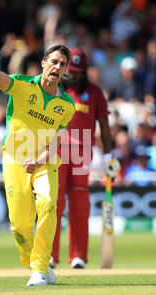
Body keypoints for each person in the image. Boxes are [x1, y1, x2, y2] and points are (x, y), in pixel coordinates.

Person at [0, 20, 76, 286]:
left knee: (48, 204)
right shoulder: (21, 86)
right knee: (20, 226)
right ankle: (36, 263)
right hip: (14, 161)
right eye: (54, 61)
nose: (58, 67)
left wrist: (39, 160)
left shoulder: (66, 105)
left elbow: (56, 144)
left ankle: (41, 268)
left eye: (63, 65)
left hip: (45, 162)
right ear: (44, 62)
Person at [49, 48, 119, 269]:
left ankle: (78, 256)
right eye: (71, 70)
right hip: (56, 153)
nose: (74, 75)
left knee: (80, 205)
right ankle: (49, 255)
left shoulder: (95, 93)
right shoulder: (54, 89)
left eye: (78, 71)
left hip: (81, 155)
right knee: (54, 204)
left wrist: (109, 158)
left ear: (85, 70)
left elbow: (105, 129)